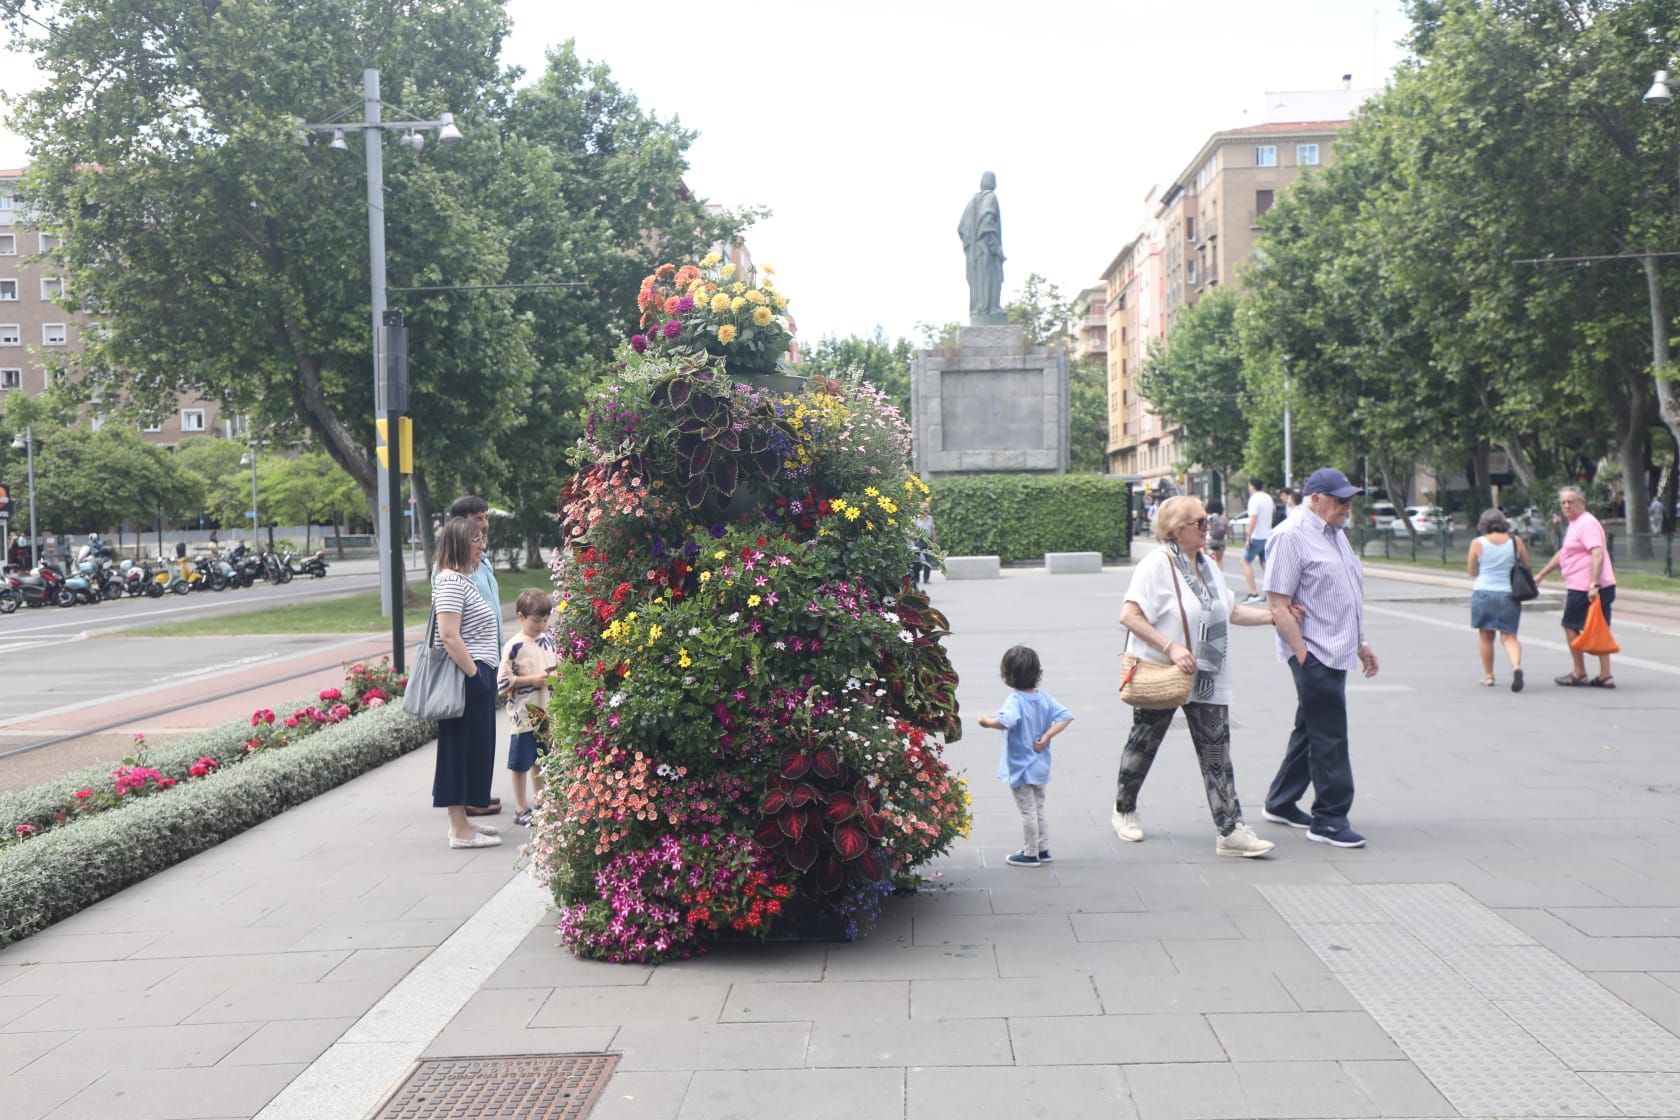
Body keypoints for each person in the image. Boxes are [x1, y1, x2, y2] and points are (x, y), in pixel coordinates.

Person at [1114, 496, 1280, 858]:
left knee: (1216, 752)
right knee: (1144, 745)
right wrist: (1171, 647)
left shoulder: (1208, 566)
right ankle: (1124, 809)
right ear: (1177, 530)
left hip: (1207, 675)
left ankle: (1230, 829)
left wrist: (1272, 617)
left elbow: (1232, 611)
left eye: (1208, 520)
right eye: (1201, 522)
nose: (1209, 527)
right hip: (1165, 673)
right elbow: (1129, 615)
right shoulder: (1156, 565)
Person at [1262, 467, 1379, 849]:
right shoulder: (1290, 536)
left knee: (1311, 728)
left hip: (1337, 646)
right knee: (1330, 734)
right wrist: (1303, 653)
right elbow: (1278, 604)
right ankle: (1329, 818)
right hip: (1313, 649)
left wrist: (1360, 642)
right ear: (1315, 499)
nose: (1347, 506)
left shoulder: (1335, 534)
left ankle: (1280, 802)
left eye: (1350, 499)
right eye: (1340, 499)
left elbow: (1345, 593)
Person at [431, 517, 503, 849]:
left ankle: (462, 822)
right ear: (460, 543)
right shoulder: (450, 582)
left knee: (472, 748)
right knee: (458, 749)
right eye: (476, 540)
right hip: (466, 676)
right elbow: (448, 634)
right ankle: (459, 830)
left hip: (476, 672)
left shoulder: (463, 580)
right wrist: (474, 675)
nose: (482, 546)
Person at [976, 645, 1073, 867]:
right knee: (1039, 807)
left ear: (1007, 675)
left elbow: (1005, 721)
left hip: (1020, 767)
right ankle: (1043, 848)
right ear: (1038, 673)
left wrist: (986, 721)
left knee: (1028, 810)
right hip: (1040, 765)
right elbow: (1066, 716)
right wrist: (1047, 735)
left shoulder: (1015, 700)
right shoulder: (1045, 698)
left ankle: (1030, 854)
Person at [448, 495, 503, 815]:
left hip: (488, 656)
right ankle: (470, 798)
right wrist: (472, 670)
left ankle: (479, 792)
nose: (486, 524)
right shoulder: (454, 570)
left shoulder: (482, 561)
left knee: (485, 731)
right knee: (472, 732)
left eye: (486, 517)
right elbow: (451, 627)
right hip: (471, 660)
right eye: (479, 518)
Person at [1534, 485, 1617, 688]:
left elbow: (1597, 553)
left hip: (1587, 587)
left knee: (1571, 625)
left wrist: (1593, 584)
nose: (1566, 506)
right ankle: (1605, 674)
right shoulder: (1575, 524)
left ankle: (1580, 671)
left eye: (1570, 501)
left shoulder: (1587, 523)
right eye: (1563, 502)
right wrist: (1542, 574)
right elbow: (1564, 553)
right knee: (1599, 627)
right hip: (1586, 585)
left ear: (1581, 502)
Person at [499, 589, 558, 827]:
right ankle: (521, 807)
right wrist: (532, 681)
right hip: (523, 714)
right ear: (521, 616)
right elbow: (503, 683)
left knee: (541, 758)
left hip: (546, 711)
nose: (541, 625)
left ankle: (541, 801)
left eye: (545, 620)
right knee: (520, 761)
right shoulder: (514, 646)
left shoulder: (548, 641)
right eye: (536, 620)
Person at [1467, 508, 1528, 692]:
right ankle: (1516, 666)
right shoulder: (1515, 541)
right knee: (1509, 637)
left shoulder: (1478, 543)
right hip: (1508, 594)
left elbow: (1472, 571)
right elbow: (1525, 564)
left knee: (1486, 636)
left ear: (1483, 524)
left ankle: (1488, 676)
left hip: (1484, 592)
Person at [958, 171, 1006, 321]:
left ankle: (980, 310)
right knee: (991, 279)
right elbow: (987, 220)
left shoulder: (973, 201)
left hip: (975, 252)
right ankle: (990, 309)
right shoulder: (990, 197)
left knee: (979, 281)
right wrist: (994, 246)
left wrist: (971, 246)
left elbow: (961, 228)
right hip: (987, 249)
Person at [1240, 477, 1275, 604]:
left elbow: (1253, 518)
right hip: (1268, 534)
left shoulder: (1254, 499)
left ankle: (1253, 593)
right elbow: (1272, 514)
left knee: (1244, 561)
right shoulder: (1268, 497)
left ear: (1252, 486)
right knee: (1265, 564)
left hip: (1257, 536)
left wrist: (1248, 537)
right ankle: (1271, 593)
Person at [912, 503, 935, 587]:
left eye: (926, 508)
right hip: (919, 541)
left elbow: (932, 530)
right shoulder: (916, 519)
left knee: (928, 560)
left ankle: (926, 579)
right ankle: (916, 578)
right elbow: (913, 530)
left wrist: (934, 542)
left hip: (928, 541)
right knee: (917, 560)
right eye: (923, 508)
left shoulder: (930, 518)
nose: (925, 510)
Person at [1205, 500, 1228, 571]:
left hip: (1210, 541)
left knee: (1209, 559)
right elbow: (1227, 530)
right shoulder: (1224, 518)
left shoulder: (1209, 517)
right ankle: (1220, 577)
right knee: (1219, 560)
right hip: (1221, 542)